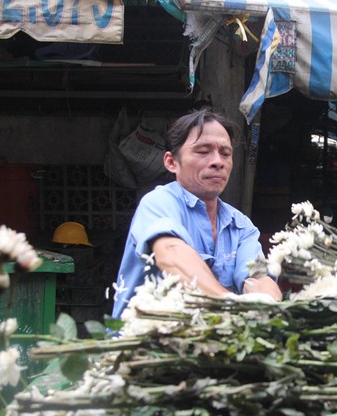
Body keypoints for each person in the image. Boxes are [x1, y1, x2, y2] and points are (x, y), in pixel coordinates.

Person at [112, 107, 281, 318]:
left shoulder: (240, 225)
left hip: (212, 335)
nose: (218, 162)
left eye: (225, 153)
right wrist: (228, 305)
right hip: (144, 335)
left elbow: (257, 277)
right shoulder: (158, 203)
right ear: (171, 162)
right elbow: (171, 253)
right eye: (203, 152)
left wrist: (270, 308)